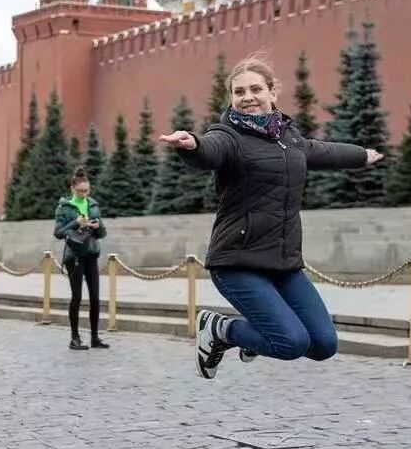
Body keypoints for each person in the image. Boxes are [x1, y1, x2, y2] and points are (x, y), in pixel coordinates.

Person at [159, 55, 384, 379]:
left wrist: (361, 155)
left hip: (283, 264)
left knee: (323, 344)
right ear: (232, 98)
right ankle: (221, 330)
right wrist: (191, 145)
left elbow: (325, 151)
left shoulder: (289, 139)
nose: (247, 97)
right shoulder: (229, 136)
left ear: (272, 92)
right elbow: (210, 149)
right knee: (290, 343)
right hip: (238, 262)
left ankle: (259, 335)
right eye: (239, 92)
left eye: (255, 89)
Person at [53, 167, 109, 351]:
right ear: (72, 189)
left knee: (95, 297)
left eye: (86, 191)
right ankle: (74, 337)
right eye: (80, 191)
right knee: (76, 297)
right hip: (74, 256)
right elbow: (59, 233)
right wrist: (74, 223)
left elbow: (102, 233)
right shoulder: (64, 207)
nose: (83, 194)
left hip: (91, 253)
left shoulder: (93, 204)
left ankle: (94, 337)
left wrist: (97, 226)